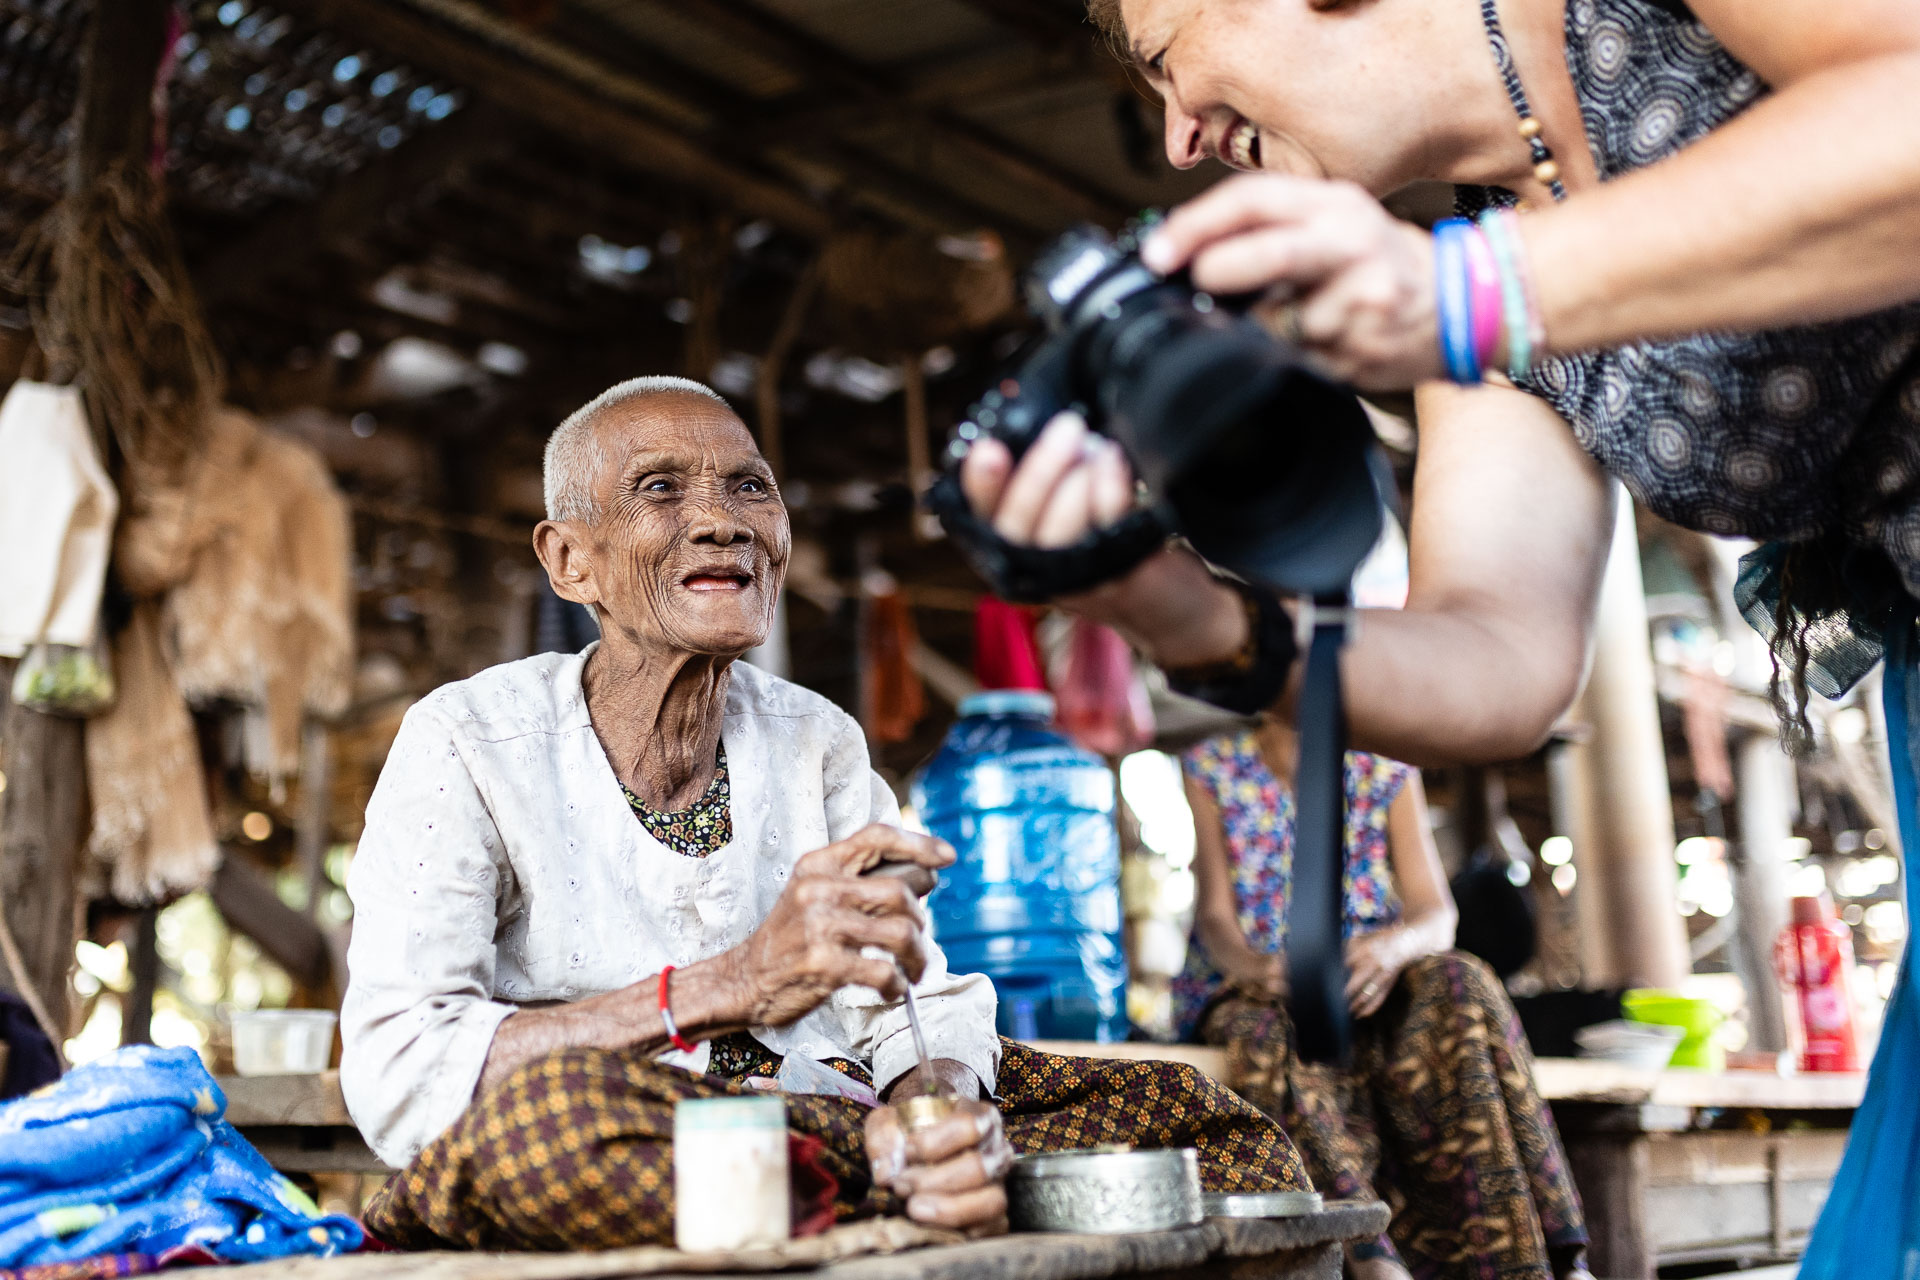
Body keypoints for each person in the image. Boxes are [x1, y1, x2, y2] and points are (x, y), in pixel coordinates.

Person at [957, 2, 1920, 1271]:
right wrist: (1177, 608)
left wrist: (1476, 299)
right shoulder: (1478, 257)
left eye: (1166, 58)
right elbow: (1500, 657)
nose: (1180, 136)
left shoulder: (1493, 250)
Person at [339, 376, 1307, 1251]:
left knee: (1195, 1118)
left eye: (750, 486)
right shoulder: (469, 737)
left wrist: (935, 1115)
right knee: (547, 1127)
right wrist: (732, 982)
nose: (722, 521)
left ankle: (888, 1186)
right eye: (661, 489)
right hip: (615, 1135)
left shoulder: (818, 738)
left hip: (822, 1122)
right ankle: (861, 1191)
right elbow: (404, 1074)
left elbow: (911, 999)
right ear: (569, 560)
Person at [1175, 720, 1587, 1280]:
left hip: (1372, 975)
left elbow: (1436, 914)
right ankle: (1371, 1255)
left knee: (1461, 980)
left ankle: (1546, 1255)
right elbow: (1215, 918)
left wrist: (1390, 952)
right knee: (1265, 1032)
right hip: (1260, 985)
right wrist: (1260, 968)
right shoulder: (1210, 767)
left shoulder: (1384, 764)